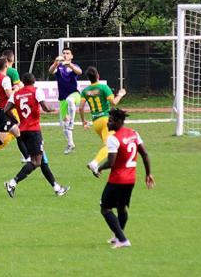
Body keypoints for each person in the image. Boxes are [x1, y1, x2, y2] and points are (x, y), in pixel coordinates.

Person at [3, 73, 70, 198]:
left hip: (23, 131)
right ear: (33, 81)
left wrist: (17, 121)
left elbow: (6, 110)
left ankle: (57, 188)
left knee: (43, 161)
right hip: (34, 131)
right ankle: (12, 183)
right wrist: (53, 110)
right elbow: (45, 107)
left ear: (23, 82)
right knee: (36, 161)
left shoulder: (16, 94)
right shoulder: (36, 91)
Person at [95, 109, 155, 249]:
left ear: (117, 122)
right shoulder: (134, 133)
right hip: (130, 180)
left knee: (105, 209)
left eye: (110, 120)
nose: (107, 122)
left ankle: (122, 239)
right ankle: (118, 236)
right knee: (121, 208)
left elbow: (111, 162)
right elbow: (144, 154)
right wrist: (148, 173)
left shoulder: (113, 139)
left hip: (117, 180)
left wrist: (98, 168)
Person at [79, 66, 126, 176]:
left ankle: (113, 168)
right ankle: (94, 163)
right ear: (98, 76)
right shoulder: (103, 87)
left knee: (112, 146)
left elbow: (81, 108)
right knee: (110, 145)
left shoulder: (85, 91)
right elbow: (114, 102)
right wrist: (121, 94)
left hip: (96, 123)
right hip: (106, 121)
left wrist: (83, 122)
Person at [0, 50, 29, 161]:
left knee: (14, 132)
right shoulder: (13, 71)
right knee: (18, 130)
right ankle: (25, 155)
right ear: (12, 59)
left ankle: (25, 155)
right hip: (10, 107)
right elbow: (18, 86)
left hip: (1, 107)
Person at [48, 47, 82, 154]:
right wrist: (55, 63)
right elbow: (50, 71)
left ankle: (72, 123)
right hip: (62, 98)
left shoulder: (73, 66)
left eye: (67, 53)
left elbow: (80, 72)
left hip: (74, 94)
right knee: (64, 124)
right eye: (64, 53)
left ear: (71, 56)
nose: (65, 55)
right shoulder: (60, 67)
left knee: (70, 100)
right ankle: (70, 144)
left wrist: (70, 65)